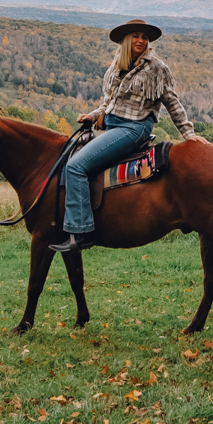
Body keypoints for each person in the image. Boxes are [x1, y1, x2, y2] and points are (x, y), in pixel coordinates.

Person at [50, 19, 199, 257]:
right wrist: (93, 115)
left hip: (133, 129)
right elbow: (108, 103)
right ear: (126, 40)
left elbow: (172, 102)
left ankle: (80, 231)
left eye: (144, 37)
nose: (141, 40)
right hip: (112, 126)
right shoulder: (117, 66)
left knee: (76, 166)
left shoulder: (157, 68)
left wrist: (189, 134)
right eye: (136, 36)